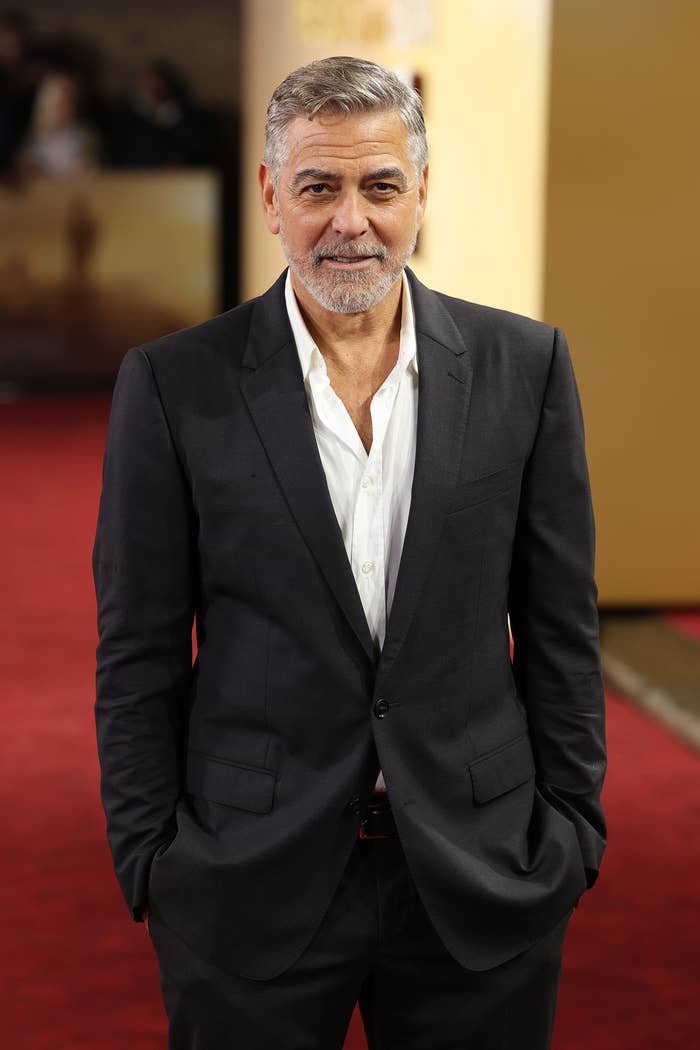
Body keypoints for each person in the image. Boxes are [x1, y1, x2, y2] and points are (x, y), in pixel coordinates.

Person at [93, 56, 607, 1050]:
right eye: (318, 188)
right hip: (247, 877)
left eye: (379, 187)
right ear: (270, 197)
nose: (350, 223)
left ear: (421, 193)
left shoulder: (526, 367)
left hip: (482, 871)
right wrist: (153, 861)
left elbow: (560, 630)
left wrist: (573, 836)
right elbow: (137, 651)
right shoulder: (172, 385)